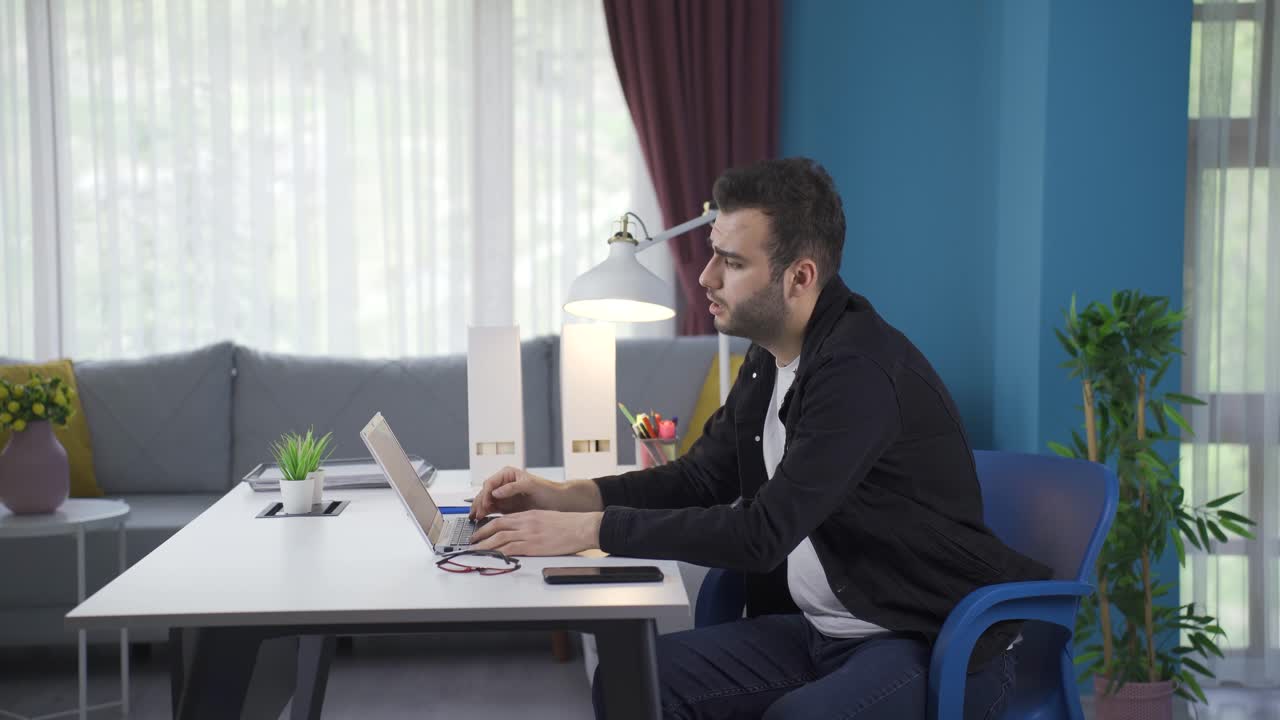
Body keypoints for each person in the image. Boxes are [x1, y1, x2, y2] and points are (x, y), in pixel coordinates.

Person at [468, 157, 1052, 719]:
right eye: (711, 255)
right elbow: (700, 477)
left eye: (732, 262)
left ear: (800, 277)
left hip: (924, 639)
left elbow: (761, 534)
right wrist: (565, 496)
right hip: (822, 630)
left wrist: (587, 532)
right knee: (636, 682)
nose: (705, 278)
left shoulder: (858, 374)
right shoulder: (770, 358)